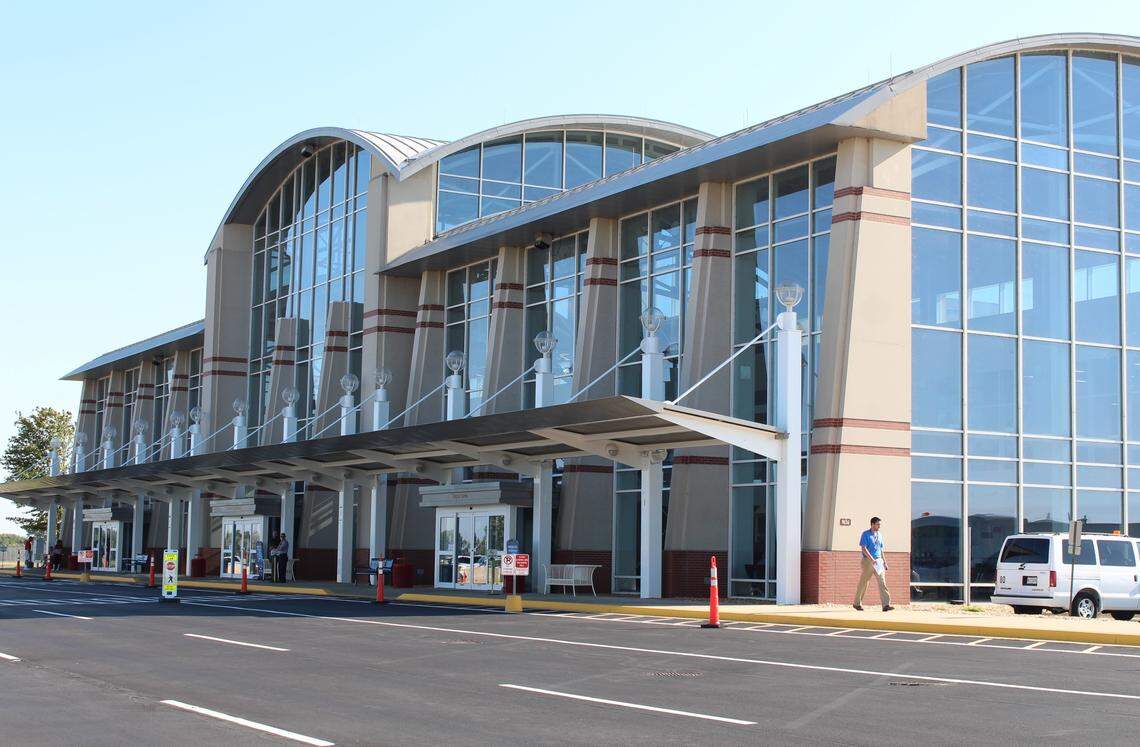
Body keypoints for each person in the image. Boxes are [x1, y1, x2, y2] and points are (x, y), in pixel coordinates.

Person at [854, 516, 894, 612]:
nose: (879, 526)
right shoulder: (866, 534)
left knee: (882, 582)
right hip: (868, 561)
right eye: (878, 524)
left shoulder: (880, 535)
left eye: (880, 524)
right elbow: (863, 548)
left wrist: (885, 562)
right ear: (872, 524)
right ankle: (857, 603)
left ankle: (886, 605)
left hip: (879, 561)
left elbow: (881, 549)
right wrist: (872, 559)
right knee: (864, 583)